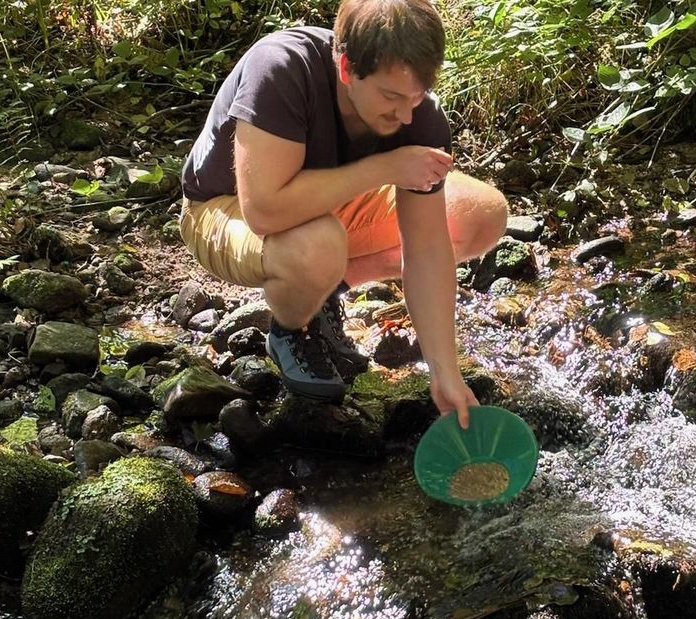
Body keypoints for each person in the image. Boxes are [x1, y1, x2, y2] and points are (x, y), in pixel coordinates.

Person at [179, 0, 508, 429]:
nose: (405, 114)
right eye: (391, 96)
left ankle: (322, 292)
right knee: (318, 246)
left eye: (416, 95)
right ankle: (292, 329)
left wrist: (444, 371)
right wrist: (384, 168)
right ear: (347, 67)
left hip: (327, 206)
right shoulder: (282, 68)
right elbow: (264, 210)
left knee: (481, 214)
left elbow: (426, 247)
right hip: (223, 208)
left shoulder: (416, 112)